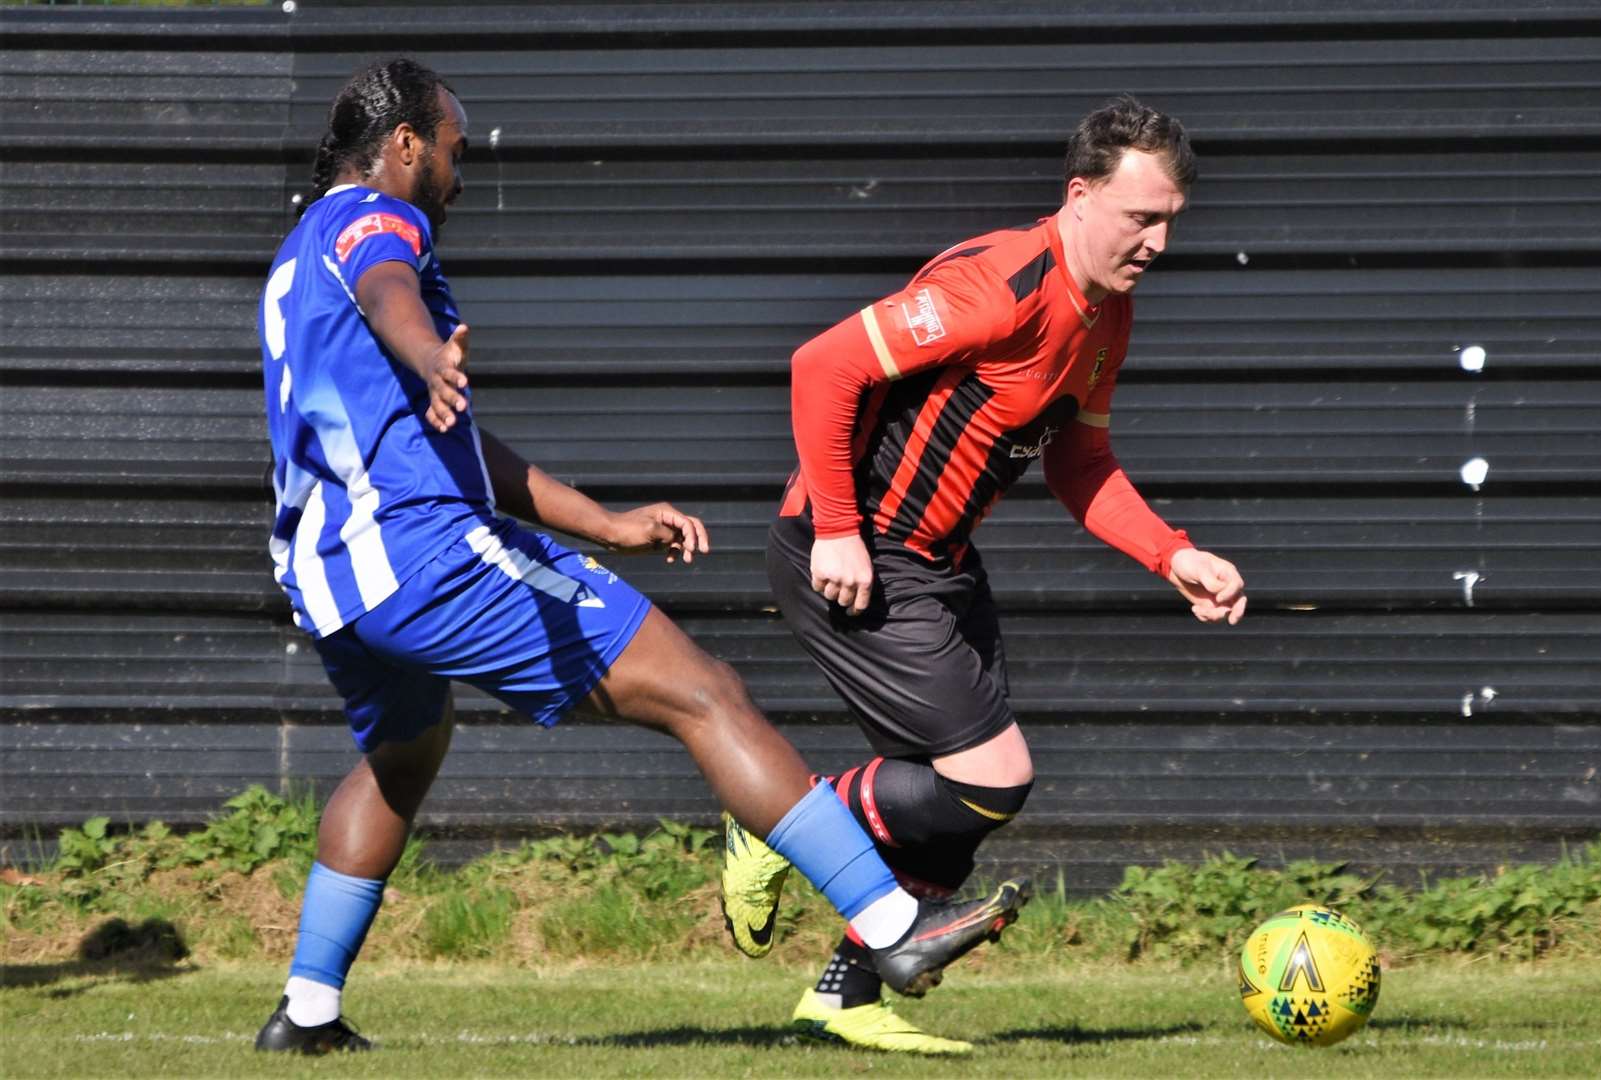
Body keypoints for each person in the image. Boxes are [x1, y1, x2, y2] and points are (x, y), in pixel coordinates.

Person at [252, 58, 1028, 1055]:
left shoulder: (297, 246)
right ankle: (894, 929)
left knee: (404, 750)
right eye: (451, 148)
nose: (460, 169)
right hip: (418, 552)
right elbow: (386, 280)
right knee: (702, 690)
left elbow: (455, 445)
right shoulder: (373, 220)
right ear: (403, 144)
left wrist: (604, 521)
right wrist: (423, 345)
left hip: (331, 573)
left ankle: (306, 1015)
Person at [718, 95, 1248, 1055]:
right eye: (1142, 217)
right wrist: (838, 527)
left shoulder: (1106, 318)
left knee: (960, 816)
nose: (1159, 241)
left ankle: (844, 999)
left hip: (938, 562)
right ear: (1080, 195)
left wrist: (1174, 553)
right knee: (991, 778)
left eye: (1172, 220)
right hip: (852, 554)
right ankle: (778, 817)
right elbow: (820, 367)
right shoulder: (1003, 284)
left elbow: (1078, 464)